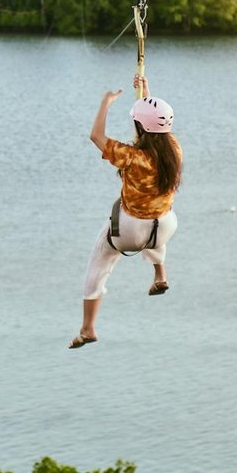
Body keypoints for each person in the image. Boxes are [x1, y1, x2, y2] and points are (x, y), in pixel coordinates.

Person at [71, 74, 182, 349]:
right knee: (155, 225)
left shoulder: (132, 157)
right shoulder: (174, 150)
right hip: (165, 226)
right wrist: (145, 93)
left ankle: (88, 328)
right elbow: (150, 129)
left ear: (140, 127)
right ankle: (160, 274)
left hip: (131, 230)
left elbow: (96, 136)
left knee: (99, 263)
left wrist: (106, 103)